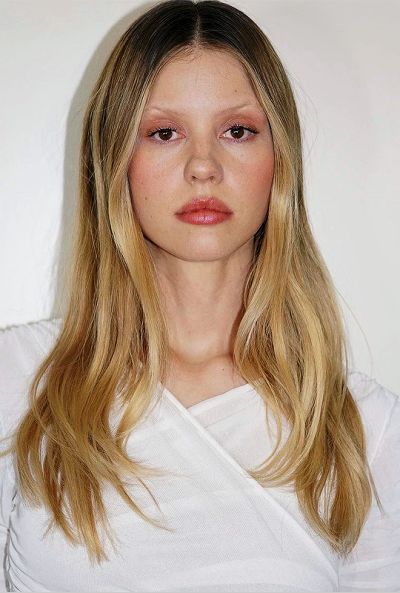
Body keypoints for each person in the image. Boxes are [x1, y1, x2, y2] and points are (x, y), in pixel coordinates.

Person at [0, 0, 399, 591]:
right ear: (115, 161)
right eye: (165, 132)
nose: (204, 166)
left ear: (278, 160)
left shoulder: (360, 428)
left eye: (237, 131)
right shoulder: (18, 381)